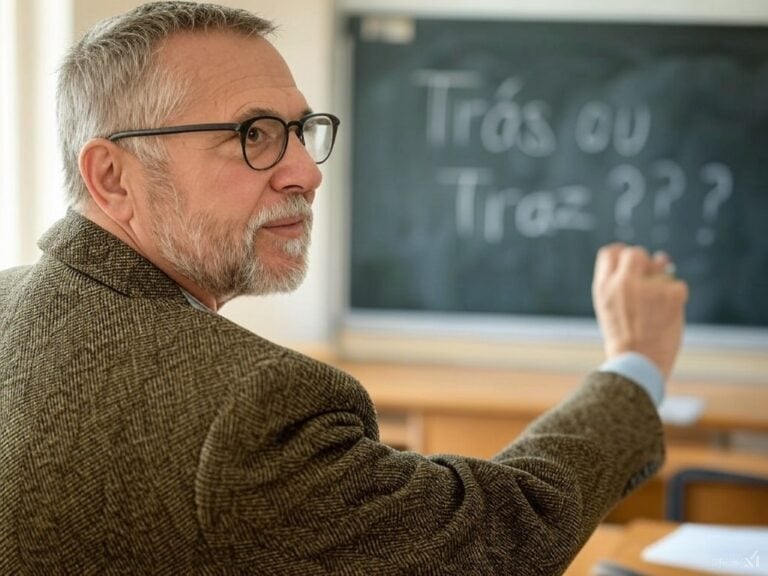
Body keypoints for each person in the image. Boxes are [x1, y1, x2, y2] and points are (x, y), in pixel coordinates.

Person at [0, 2, 688, 574]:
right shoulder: (248, 412)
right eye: (254, 134)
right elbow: (497, 536)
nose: (306, 171)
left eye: (299, 131)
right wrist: (635, 364)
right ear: (113, 178)